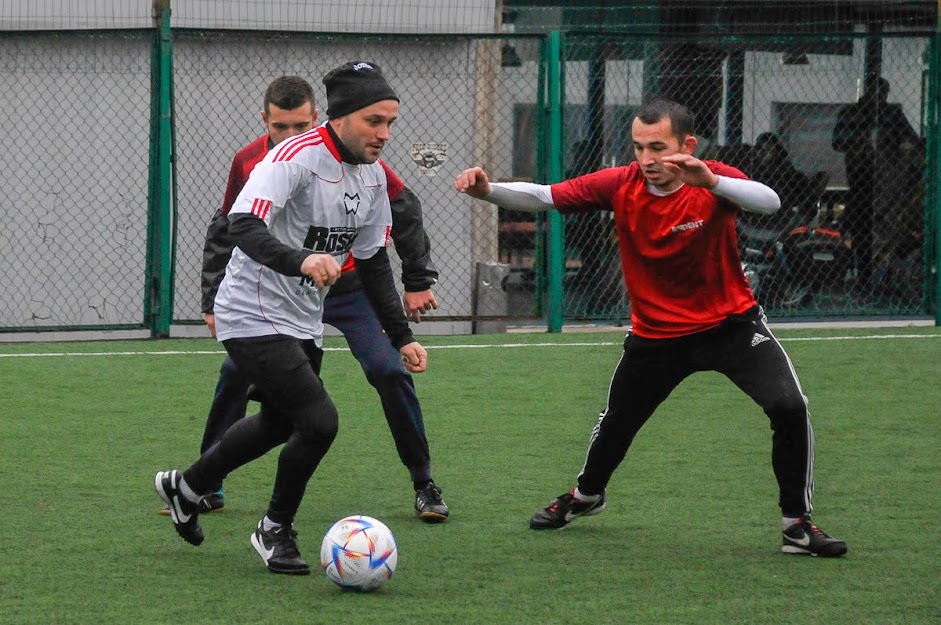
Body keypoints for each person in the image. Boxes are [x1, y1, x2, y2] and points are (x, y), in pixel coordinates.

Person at [453, 98, 848, 557]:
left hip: (733, 327)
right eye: (639, 147)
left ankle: (796, 525)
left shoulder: (712, 178)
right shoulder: (622, 184)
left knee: (789, 405)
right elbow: (545, 195)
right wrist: (487, 192)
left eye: (658, 147)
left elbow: (771, 202)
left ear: (687, 145)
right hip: (657, 338)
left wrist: (715, 182)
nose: (646, 159)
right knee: (618, 421)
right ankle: (586, 496)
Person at [156, 61, 433, 575]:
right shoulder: (292, 158)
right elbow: (241, 223)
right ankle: (274, 529)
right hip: (250, 309)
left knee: (283, 423)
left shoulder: (372, 177)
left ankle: (186, 486)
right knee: (320, 421)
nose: (385, 134)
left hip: (300, 316)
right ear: (343, 115)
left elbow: (372, 262)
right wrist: (300, 260)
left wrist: (401, 336)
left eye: (391, 122)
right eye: (375, 121)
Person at [832, 77, 920, 291]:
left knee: (885, 228)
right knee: (860, 228)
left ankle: (882, 276)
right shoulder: (851, 114)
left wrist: (898, 154)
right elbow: (838, 142)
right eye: (875, 93)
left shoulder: (892, 114)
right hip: (861, 178)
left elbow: (912, 140)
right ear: (867, 93)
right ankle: (861, 277)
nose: (879, 99)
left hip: (888, 182)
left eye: (883, 94)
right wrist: (859, 140)